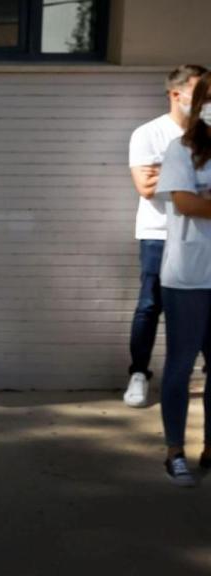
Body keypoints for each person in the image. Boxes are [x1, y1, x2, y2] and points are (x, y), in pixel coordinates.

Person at [125, 64, 207, 408]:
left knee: (201, 309)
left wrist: (171, 177)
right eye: (202, 92)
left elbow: (168, 186)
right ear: (177, 94)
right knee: (150, 304)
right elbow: (145, 187)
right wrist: (189, 183)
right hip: (158, 233)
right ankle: (139, 374)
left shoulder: (209, 134)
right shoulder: (148, 133)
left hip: (202, 238)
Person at [153, 70, 211, 487]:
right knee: (180, 366)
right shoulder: (182, 149)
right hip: (189, 276)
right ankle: (175, 449)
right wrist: (201, 199)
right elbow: (187, 203)